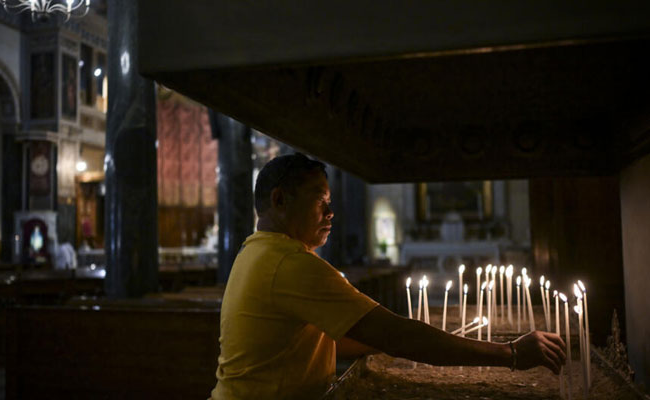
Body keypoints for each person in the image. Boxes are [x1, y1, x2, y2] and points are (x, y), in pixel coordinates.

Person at [210, 153, 565, 400]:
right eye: (321, 202)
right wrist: (511, 353)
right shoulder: (289, 263)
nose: (332, 213)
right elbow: (397, 335)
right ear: (279, 200)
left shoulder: (255, 250)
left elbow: (326, 342)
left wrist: (395, 339)